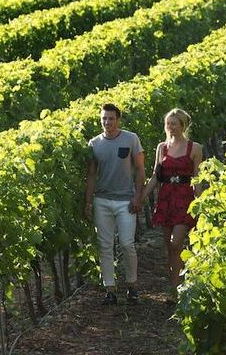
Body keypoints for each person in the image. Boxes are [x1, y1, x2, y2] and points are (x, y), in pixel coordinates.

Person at [84, 103, 145, 305]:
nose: (107, 122)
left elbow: (140, 170)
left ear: (118, 119)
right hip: (102, 200)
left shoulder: (131, 138)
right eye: (104, 119)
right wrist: (89, 201)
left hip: (126, 200)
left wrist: (138, 196)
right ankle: (109, 289)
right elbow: (92, 174)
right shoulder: (94, 143)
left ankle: (133, 285)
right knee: (105, 246)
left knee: (127, 244)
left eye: (110, 118)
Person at [140, 108, 203, 293]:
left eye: (174, 123)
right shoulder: (162, 147)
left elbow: (197, 178)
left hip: (184, 199)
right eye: (168, 123)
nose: (170, 127)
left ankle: (184, 279)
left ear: (183, 126)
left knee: (177, 243)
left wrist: (201, 204)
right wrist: (141, 198)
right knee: (169, 247)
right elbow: (155, 176)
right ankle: (175, 287)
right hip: (166, 198)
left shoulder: (195, 148)